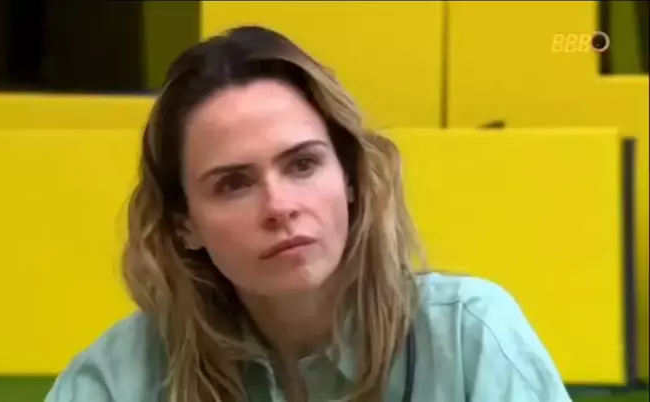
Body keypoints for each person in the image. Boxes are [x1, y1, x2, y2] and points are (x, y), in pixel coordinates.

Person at [45, 26, 572, 402]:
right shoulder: (120, 377)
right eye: (234, 183)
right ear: (185, 225)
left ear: (349, 177)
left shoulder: (467, 336)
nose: (279, 207)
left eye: (302, 164)